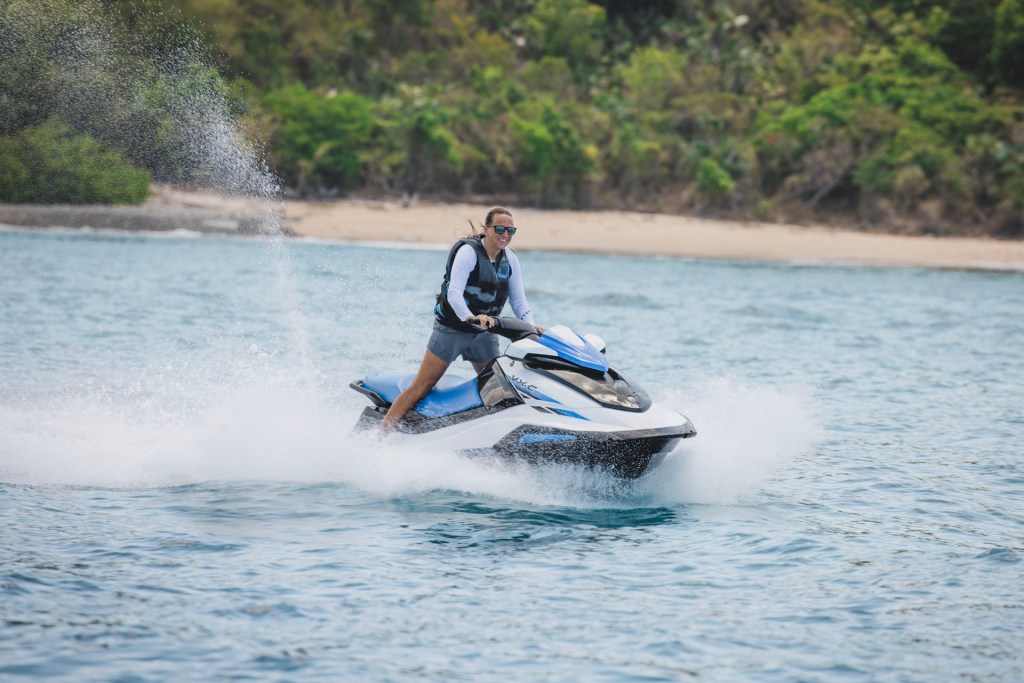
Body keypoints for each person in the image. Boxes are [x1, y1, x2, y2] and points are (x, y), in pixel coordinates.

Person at [381, 207, 539, 430]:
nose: (505, 234)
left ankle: (485, 439)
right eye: (500, 229)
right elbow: (454, 293)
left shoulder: (511, 259)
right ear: (486, 229)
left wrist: (530, 329)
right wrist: (470, 317)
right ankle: (380, 435)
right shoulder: (468, 253)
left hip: (483, 333)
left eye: (510, 230)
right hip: (452, 330)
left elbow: (519, 301)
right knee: (423, 385)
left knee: (499, 390)